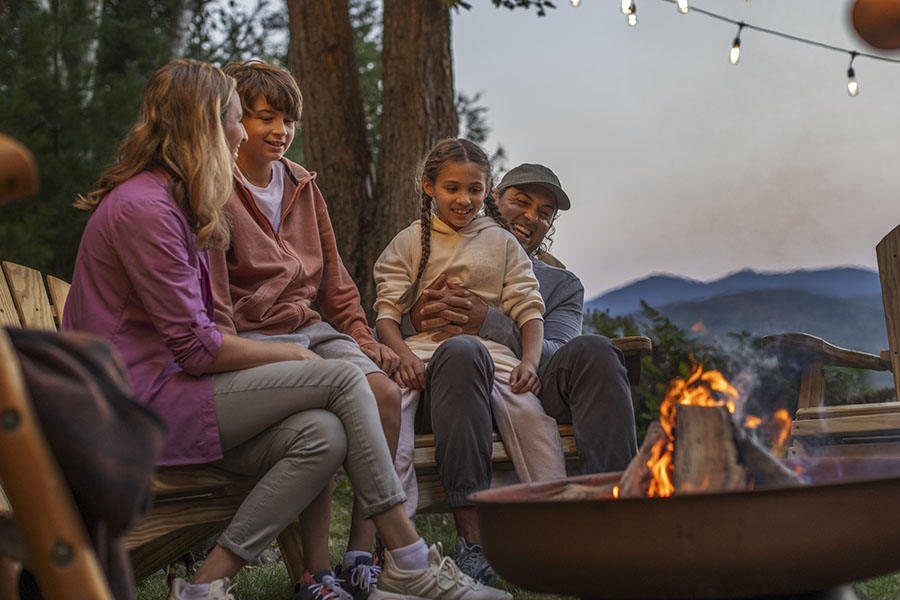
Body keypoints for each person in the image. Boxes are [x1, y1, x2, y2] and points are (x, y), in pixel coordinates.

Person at [62, 59, 509, 600]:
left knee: (321, 434)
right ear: (206, 124)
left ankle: (204, 588)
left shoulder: (180, 201)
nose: (245, 132)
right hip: (135, 405)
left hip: (176, 389)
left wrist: (344, 345)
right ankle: (409, 560)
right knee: (342, 381)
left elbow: (315, 290)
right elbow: (198, 344)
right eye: (237, 118)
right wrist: (299, 361)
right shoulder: (147, 209)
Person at [207, 60, 402, 600]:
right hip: (259, 338)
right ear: (235, 119)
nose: (279, 131)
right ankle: (314, 574)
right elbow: (217, 294)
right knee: (322, 416)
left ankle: (363, 553)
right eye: (265, 117)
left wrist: (362, 340)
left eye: (288, 120)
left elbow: (335, 282)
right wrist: (239, 350)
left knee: (385, 393)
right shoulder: (216, 188)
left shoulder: (301, 184)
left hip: (312, 328)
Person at [400, 163, 639, 583]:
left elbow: (557, 355)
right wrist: (412, 319)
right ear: (493, 200)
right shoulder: (432, 253)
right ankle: (475, 545)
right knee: (460, 350)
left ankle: (615, 526)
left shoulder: (561, 285)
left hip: (526, 392)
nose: (532, 216)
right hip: (443, 397)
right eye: (521, 201)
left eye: (544, 211)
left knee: (597, 350)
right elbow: (380, 327)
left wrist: (489, 321)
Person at [374, 139, 567, 573]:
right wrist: (402, 355)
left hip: (495, 359)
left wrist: (530, 363)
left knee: (533, 423)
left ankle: (555, 531)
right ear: (429, 187)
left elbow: (529, 309)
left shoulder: (501, 243)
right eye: (452, 188)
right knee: (393, 432)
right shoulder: (408, 242)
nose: (464, 200)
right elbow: (386, 314)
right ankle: (396, 542)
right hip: (421, 359)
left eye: (475, 190)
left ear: (487, 191)